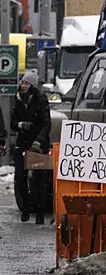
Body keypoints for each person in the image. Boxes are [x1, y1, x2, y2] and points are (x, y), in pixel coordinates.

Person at [11, 71, 51, 224]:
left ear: (33, 85)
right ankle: (26, 207)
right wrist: (21, 125)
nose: (24, 85)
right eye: (23, 83)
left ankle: (40, 213)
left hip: (38, 144)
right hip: (22, 143)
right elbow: (13, 124)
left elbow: (46, 123)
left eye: (27, 83)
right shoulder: (18, 100)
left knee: (40, 179)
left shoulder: (41, 100)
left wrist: (39, 140)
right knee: (20, 177)